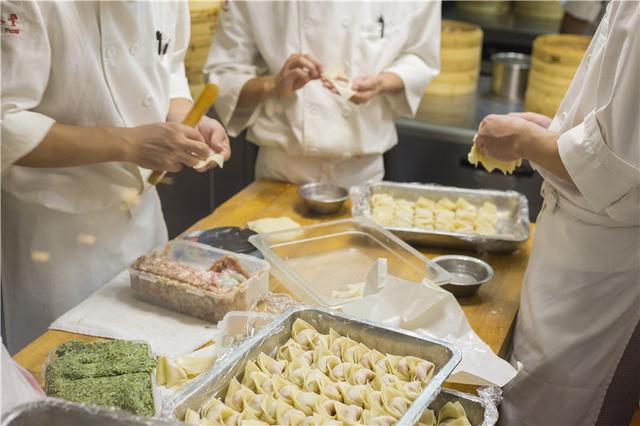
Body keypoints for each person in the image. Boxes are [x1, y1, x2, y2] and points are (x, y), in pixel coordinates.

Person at [1, 1, 230, 353]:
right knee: (63, 372)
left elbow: (166, 67)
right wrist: (128, 142)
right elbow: (7, 123)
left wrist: (187, 118)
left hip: (142, 219)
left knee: (158, 361)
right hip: (56, 235)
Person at [473, 2, 639, 424]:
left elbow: (615, 169)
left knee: (565, 404)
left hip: (604, 265)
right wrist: (553, 132)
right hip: (579, 248)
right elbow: (615, 132)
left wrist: (527, 140)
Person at [204, 1, 440, 188]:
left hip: (362, 172)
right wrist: (274, 85)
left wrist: (383, 82)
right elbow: (224, 75)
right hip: (282, 170)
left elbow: (420, 56)